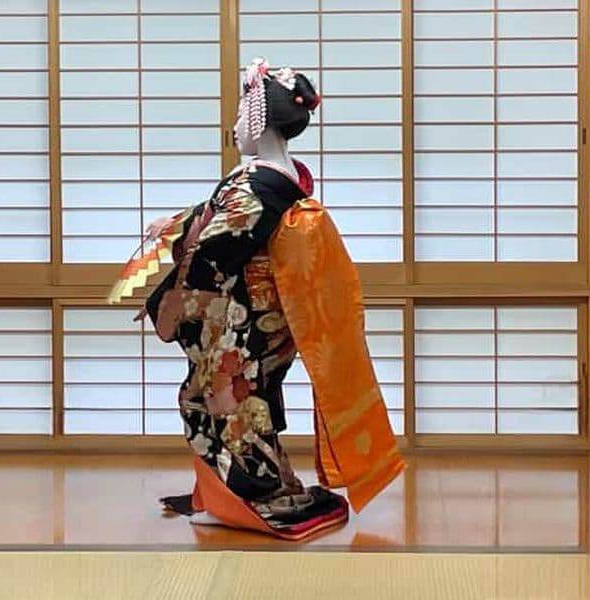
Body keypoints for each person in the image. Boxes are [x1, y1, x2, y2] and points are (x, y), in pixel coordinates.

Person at [121, 58, 404, 540]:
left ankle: (249, 501)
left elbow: (214, 250)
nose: (234, 126)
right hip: (272, 313)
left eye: (239, 115)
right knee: (248, 402)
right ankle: (255, 490)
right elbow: (215, 220)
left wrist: (174, 282)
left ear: (259, 119)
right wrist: (181, 223)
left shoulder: (254, 184)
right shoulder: (281, 176)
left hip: (242, 319)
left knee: (219, 404)